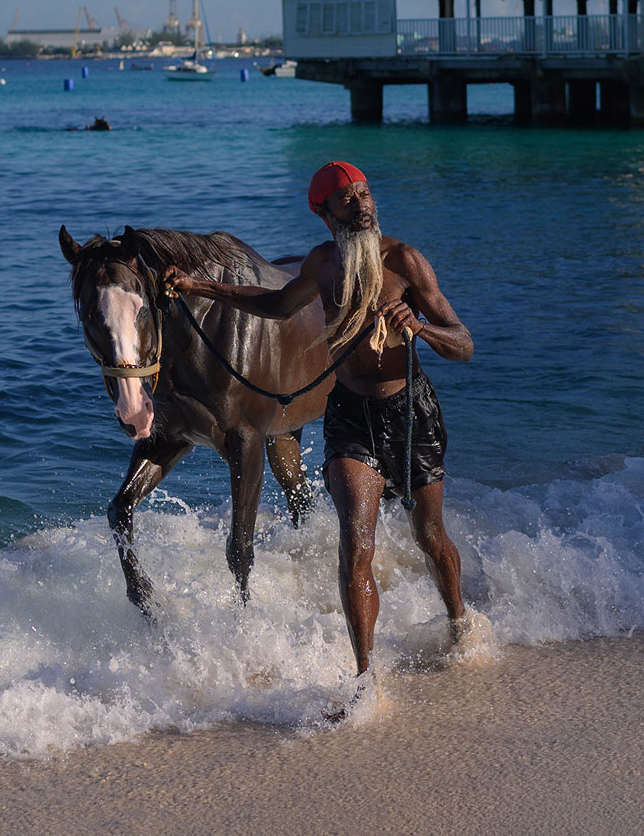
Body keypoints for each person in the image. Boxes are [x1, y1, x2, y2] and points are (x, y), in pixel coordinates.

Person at [162, 161, 472, 676]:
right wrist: (201, 286)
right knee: (356, 546)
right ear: (324, 214)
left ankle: (460, 625)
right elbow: (278, 304)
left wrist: (422, 328)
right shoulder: (323, 265)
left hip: (409, 411)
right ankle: (365, 679)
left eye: (365, 193)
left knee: (430, 536)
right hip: (350, 415)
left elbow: (463, 343)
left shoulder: (405, 262)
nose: (362, 204)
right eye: (347, 199)